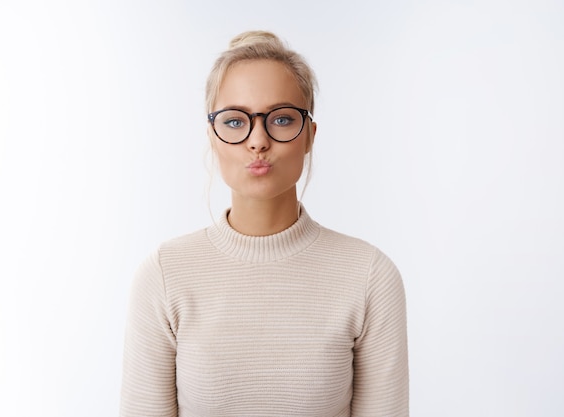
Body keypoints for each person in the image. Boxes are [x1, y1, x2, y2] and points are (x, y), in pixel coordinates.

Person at [120, 30, 409, 417]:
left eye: (282, 118)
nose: (258, 140)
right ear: (212, 136)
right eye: (236, 121)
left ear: (309, 135)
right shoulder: (164, 275)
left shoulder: (369, 276)